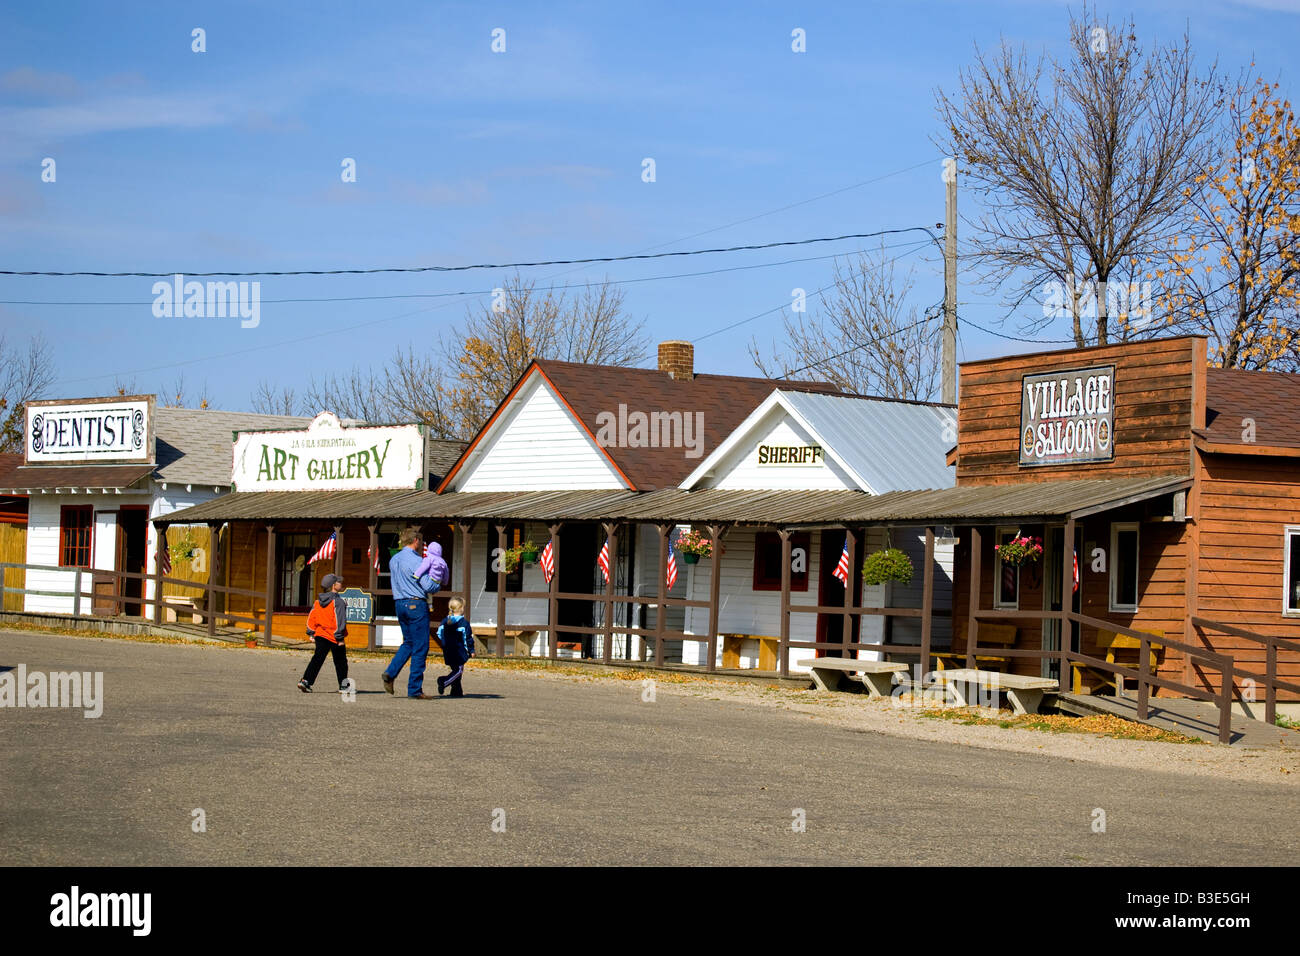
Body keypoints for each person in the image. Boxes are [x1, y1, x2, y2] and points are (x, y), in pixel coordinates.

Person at [381, 528, 441, 699]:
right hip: (416, 603)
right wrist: (438, 582)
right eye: (421, 541)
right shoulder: (416, 561)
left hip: (399, 603)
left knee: (408, 642)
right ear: (415, 540)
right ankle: (414, 689)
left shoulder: (394, 559)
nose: (422, 545)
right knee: (421, 646)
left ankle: (391, 673)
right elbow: (428, 585)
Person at [297, 573, 351, 693]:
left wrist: (311, 633)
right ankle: (343, 686)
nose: (341, 584)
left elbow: (312, 617)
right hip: (334, 636)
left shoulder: (317, 602)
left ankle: (305, 681)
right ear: (333, 586)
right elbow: (340, 620)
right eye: (339, 582)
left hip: (320, 634)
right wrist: (340, 637)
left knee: (317, 659)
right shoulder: (338, 602)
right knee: (341, 662)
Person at [435, 597, 475, 697]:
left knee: (455, 670)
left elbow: (439, 634)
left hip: (448, 650)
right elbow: (468, 638)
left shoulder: (445, 621)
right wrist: (471, 650)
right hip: (459, 652)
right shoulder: (463, 623)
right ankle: (443, 681)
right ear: (461, 609)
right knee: (458, 671)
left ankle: (456, 691)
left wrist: (446, 643)